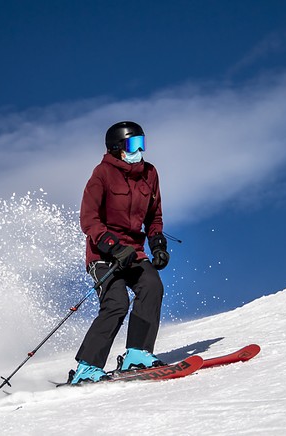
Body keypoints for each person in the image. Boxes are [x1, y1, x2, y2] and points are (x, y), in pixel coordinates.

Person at [71, 121, 170, 384]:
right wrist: (113, 246)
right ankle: (87, 367)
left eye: (142, 144)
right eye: (132, 145)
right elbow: (88, 220)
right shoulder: (101, 174)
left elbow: (154, 216)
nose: (139, 150)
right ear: (116, 149)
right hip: (103, 255)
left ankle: (137, 353)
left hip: (134, 252)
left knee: (152, 286)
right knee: (117, 303)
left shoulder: (150, 173)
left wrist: (157, 244)